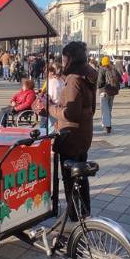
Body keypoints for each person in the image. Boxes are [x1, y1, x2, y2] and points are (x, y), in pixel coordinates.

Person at [49, 42, 97, 222]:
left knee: (70, 179)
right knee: (81, 177)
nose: (62, 61)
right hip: (83, 135)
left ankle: (74, 216)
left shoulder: (74, 79)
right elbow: (89, 109)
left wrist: (51, 109)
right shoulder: (88, 75)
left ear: (70, 58)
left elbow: (70, 113)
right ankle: (84, 212)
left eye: (64, 58)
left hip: (71, 136)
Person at [97, 56, 120, 134]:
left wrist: (98, 86)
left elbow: (99, 82)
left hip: (104, 92)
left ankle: (107, 126)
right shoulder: (113, 68)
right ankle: (108, 123)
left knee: (104, 109)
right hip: (113, 92)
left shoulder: (102, 69)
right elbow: (121, 79)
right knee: (109, 109)